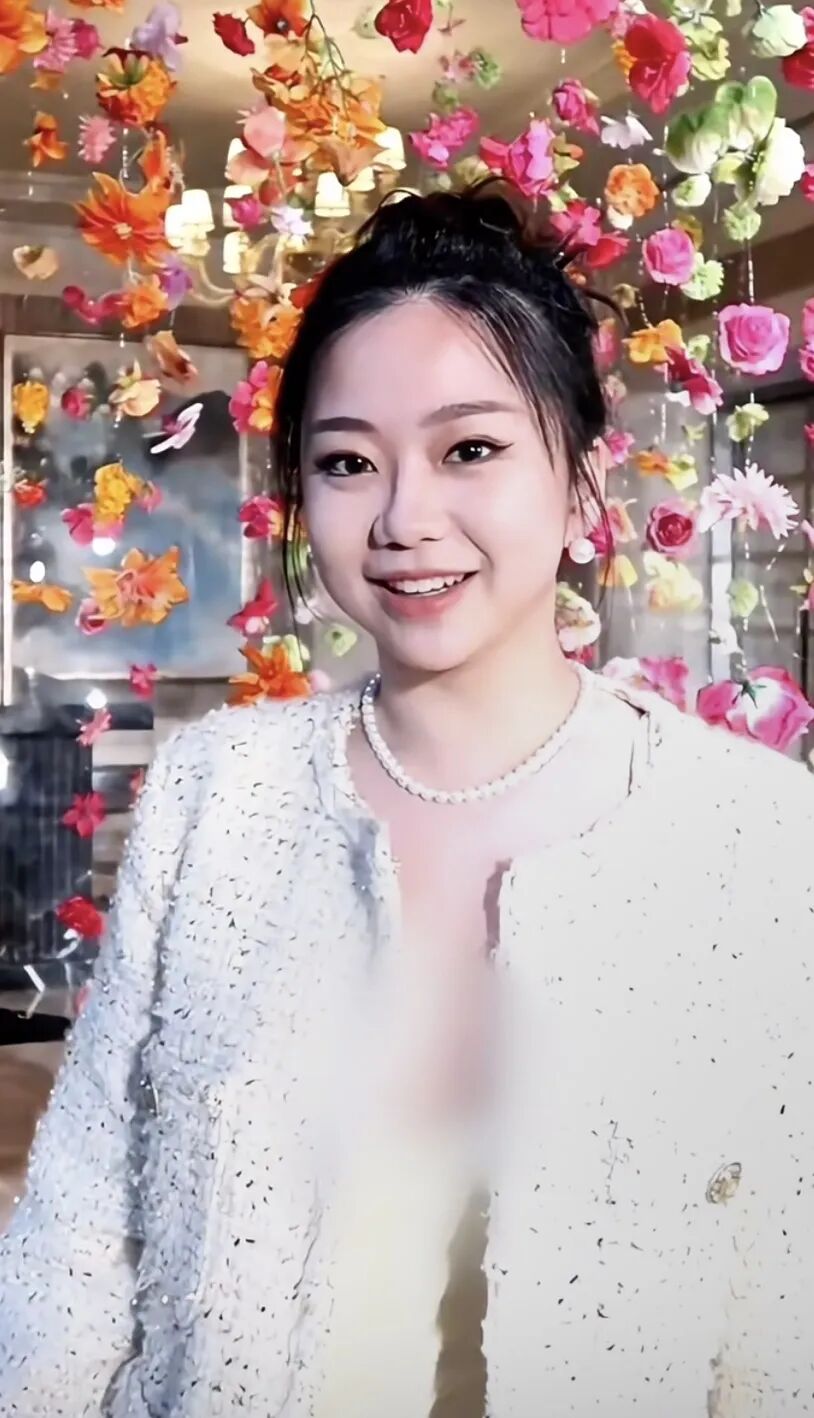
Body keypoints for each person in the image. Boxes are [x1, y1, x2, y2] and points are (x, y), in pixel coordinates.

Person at [1, 184, 812, 1418]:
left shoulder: (751, 833)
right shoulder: (216, 796)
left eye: (469, 449)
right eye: (346, 462)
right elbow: (77, 1228)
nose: (403, 518)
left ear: (581, 487)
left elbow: (782, 1310)